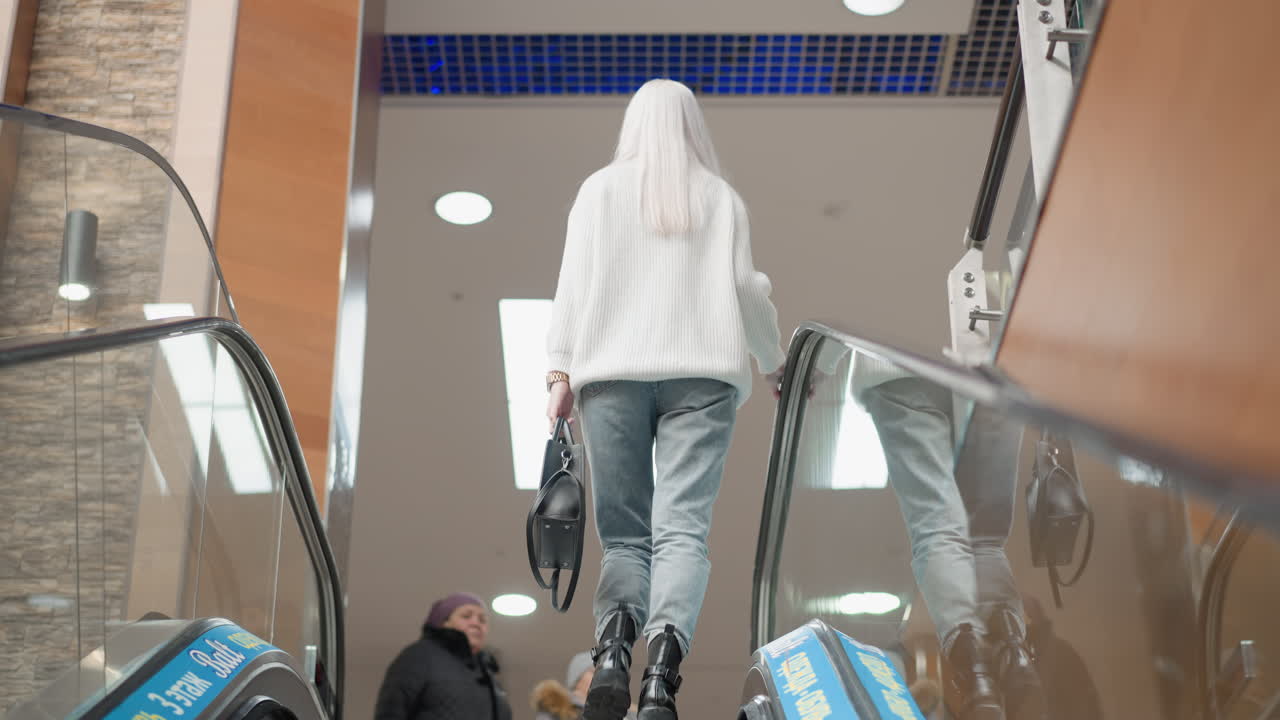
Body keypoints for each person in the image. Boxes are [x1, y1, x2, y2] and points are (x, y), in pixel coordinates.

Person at [544, 78, 785, 720]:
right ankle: (660, 679)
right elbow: (747, 287)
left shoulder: (597, 191)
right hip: (703, 379)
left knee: (625, 537)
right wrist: (774, 362)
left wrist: (558, 373)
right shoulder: (720, 198)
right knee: (683, 531)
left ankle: (613, 655)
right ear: (693, 127)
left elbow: (571, 286)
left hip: (611, 376)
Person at [854, 356, 1046, 720]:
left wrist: (816, 364)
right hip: (990, 357)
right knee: (986, 539)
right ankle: (1013, 648)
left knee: (937, 527)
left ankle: (975, 674)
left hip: (897, 369)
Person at [373, 592, 513, 720]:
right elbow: (391, 710)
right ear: (443, 622)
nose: (476, 623)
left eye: (482, 620)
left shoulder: (488, 674)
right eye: (466, 616)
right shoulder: (420, 655)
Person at [532, 651, 638, 720]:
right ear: (577, 679)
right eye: (595, 672)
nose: (605, 679)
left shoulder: (622, 713)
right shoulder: (555, 709)